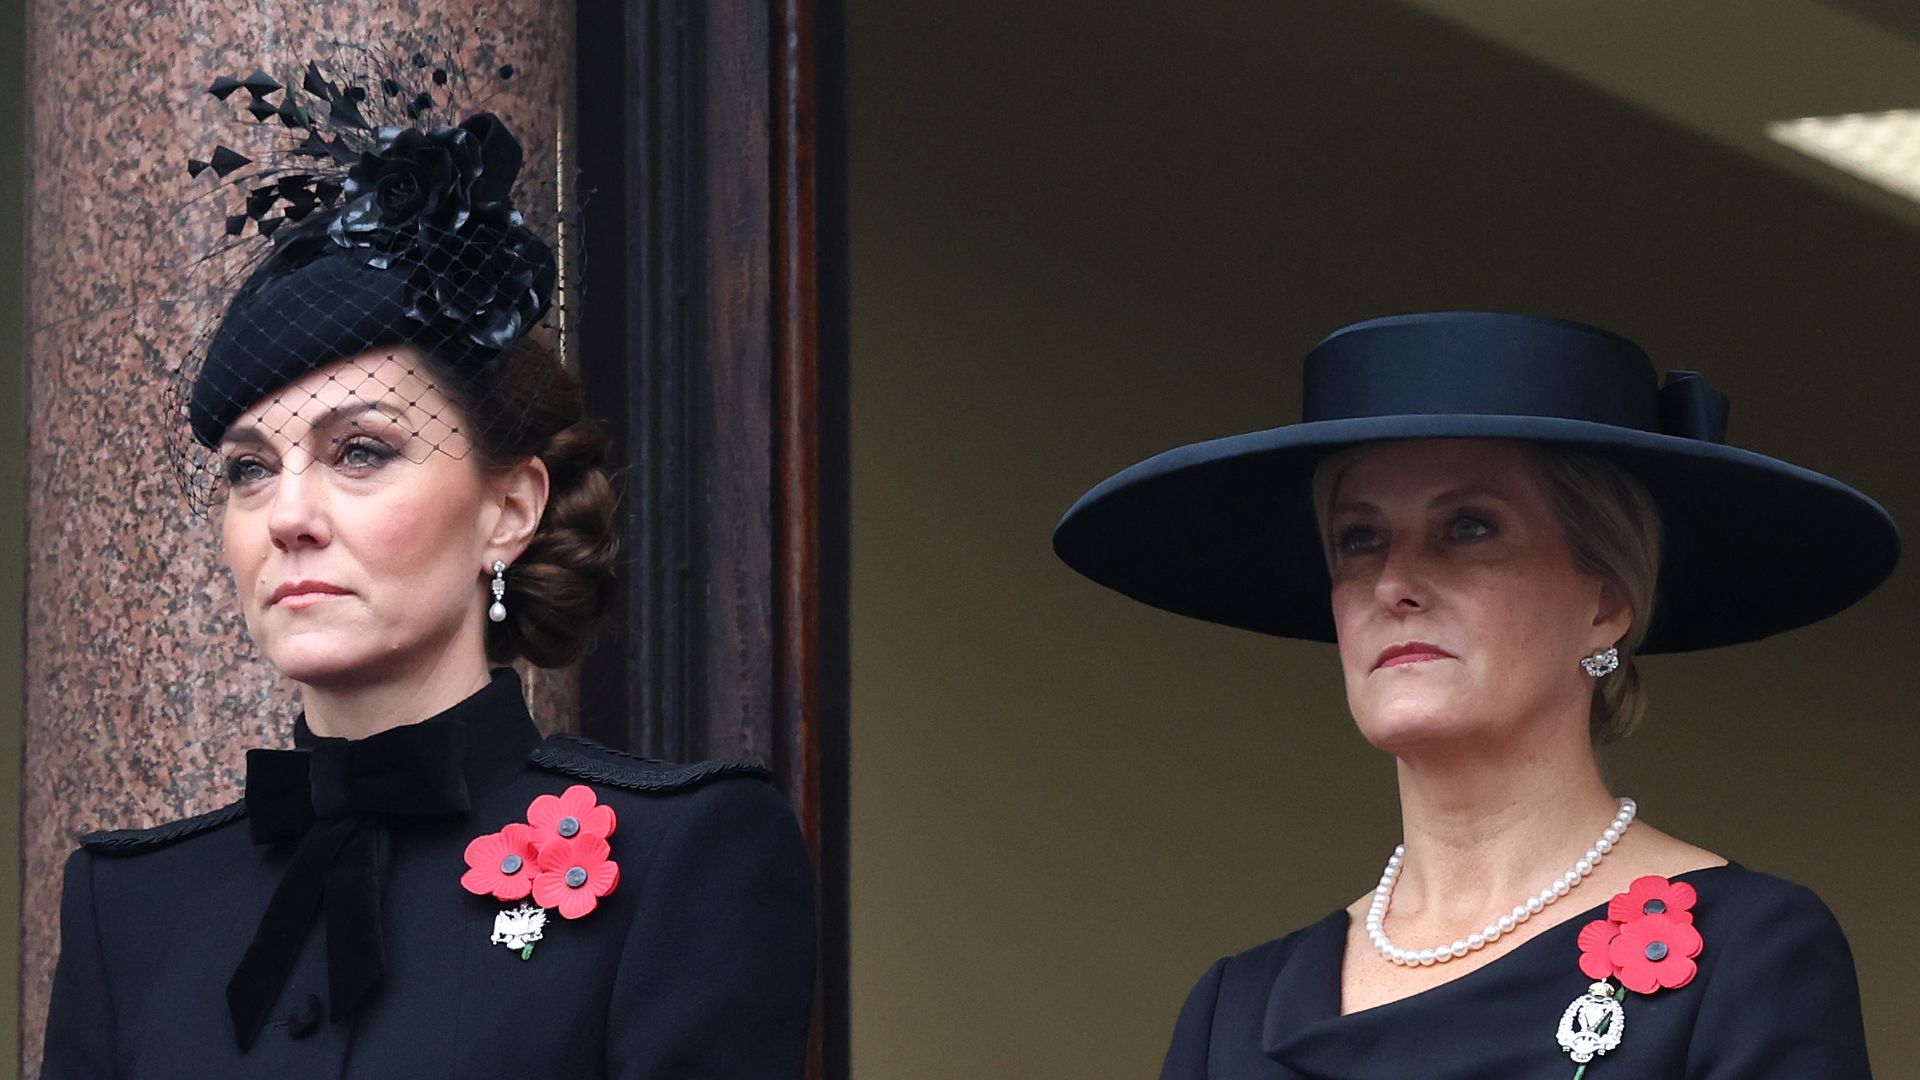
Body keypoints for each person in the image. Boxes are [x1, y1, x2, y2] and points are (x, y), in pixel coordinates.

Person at [40, 60, 815, 1079]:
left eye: (362, 451)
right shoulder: (130, 904)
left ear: (510, 509)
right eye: (249, 470)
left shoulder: (679, 856)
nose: (290, 517)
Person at [1053, 312, 1895, 1078]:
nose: (1395, 583)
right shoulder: (1232, 1012)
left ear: (1605, 603)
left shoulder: (1746, 954)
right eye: (1359, 538)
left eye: (1469, 528)